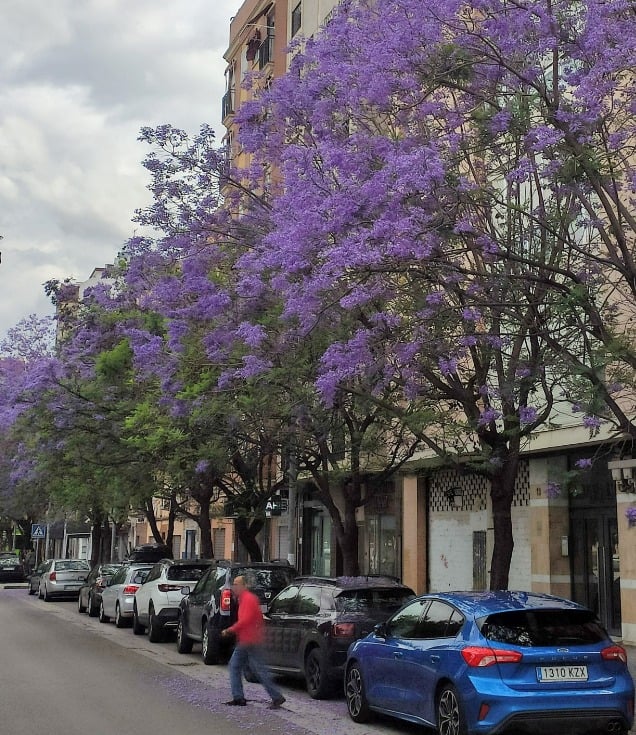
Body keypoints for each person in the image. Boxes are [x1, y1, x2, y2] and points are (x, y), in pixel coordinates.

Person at [221, 574, 286, 709]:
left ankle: (273, 696)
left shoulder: (248, 599)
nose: (234, 587)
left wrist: (230, 630)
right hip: (247, 639)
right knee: (239, 666)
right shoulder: (243, 599)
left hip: (250, 640)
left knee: (254, 669)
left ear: (244, 586)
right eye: (234, 584)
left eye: (237, 584)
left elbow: (245, 620)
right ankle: (240, 697)